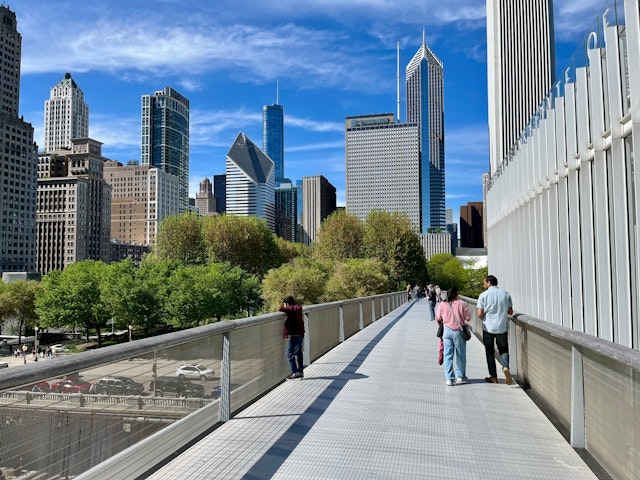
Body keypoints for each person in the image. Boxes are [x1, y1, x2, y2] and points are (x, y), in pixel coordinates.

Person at [477, 275, 514, 384]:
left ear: (489, 283)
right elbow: (510, 312)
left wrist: (484, 316)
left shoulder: (483, 295)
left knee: (490, 352)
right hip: (502, 327)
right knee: (503, 349)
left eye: (484, 283)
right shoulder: (506, 294)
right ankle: (505, 367)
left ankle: (493, 377)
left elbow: (479, 314)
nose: (484, 285)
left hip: (488, 327)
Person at [435, 286, 470, 385]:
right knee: (460, 354)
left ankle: (449, 378)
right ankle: (460, 376)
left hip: (446, 331)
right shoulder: (462, 303)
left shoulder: (442, 304)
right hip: (458, 331)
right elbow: (468, 318)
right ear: (456, 294)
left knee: (448, 355)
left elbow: (438, 317)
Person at [280, 296, 305, 379]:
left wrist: (284, 306)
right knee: (298, 353)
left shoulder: (290, 309)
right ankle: (300, 372)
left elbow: (281, 309)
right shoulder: (298, 307)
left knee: (289, 354)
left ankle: (295, 373)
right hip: (301, 333)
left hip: (295, 335)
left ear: (287, 303)